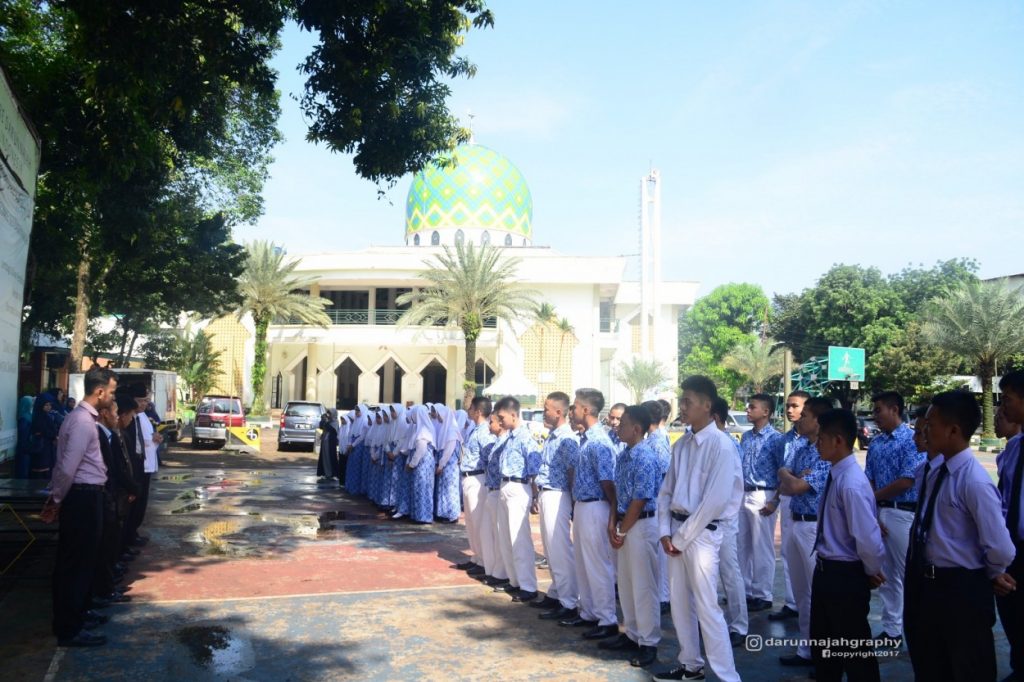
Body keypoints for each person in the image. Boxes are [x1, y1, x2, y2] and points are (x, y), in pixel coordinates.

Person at [904, 391, 1014, 682]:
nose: (925, 429)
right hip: (928, 586)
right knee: (931, 664)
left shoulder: (974, 481)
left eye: (932, 423)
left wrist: (992, 573)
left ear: (953, 430)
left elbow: (1000, 547)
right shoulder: (934, 472)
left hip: (961, 589)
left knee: (967, 666)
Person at [652, 376, 740, 682]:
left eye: (689, 401)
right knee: (679, 605)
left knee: (707, 607)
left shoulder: (722, 446)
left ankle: (728, 676)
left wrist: (679, 537)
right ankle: (691, 665)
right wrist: (665, 532)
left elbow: (714, 502)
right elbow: (666, 491)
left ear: (707, 405)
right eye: (682, 400)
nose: (683, 406)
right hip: (676, 533)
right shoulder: (683, 445)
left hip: (701, 536)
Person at [41, 366, 118, 647]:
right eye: (111, 392)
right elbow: (67, 467)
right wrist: (57, 499)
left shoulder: (81, 419)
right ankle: (69, 628)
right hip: (81, 498)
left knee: (85, 561)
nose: (112, 397)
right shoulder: (83, 423)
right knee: (75, 564)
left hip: (87, 496)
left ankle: (81, 614)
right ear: (99, 392)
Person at [810, 408, 885, 681]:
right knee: (825, 647)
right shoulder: (837, 475)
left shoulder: (851, 482)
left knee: (854, 649)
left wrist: (871, 569)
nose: (817, 443)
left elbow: (866, 537)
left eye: (821, 438)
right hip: (827, 571)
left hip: (844, 574)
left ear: (838, 440)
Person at [863, 390, 924, 647]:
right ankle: (891, 629)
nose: (875, 416)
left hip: (902, 512)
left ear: (895, 410)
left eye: (879, 411)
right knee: (885, 573)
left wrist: (873, 498)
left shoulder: (911, 439)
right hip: (880, 511)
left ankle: (913, 627)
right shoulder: (876, 443)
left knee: (904, 572)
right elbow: (869, 477)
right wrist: (872, 508)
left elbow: (907, 479)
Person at [776, 396, 833, 667]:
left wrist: (794, 478)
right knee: (801, 593)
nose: (801, 418)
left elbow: (797, 487)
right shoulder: (801, 448)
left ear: (818, 421)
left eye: (807, 414)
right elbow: (785, 479)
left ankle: (824, 655)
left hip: (814, 525)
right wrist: (792, 476)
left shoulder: (826, 452)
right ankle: (806, 649)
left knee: (817, 593)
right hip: (796, 521)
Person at [604, 404, 662, 667]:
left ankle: (649, 643)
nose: (618, 426)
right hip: (626, 524)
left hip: (641, 525)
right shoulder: (625, 455)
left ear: (636, 429)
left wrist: (622, 529)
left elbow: (640, 498)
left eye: (623, 423)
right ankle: (633, 634)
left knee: (644, 586)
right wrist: (613, 523)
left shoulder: (645, 456)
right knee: (626, 584)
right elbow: (619, 492)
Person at [559, 388, 618, 641]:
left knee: (597, 564)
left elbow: (608, 483)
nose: (571, 411)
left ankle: (607, 619)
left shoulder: (599, 442)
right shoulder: (585, 440)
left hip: (596, 506)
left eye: (574, 406)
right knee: (584, 563)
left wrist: (613, 516)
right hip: (583, 505)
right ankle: (589, 613)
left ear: (586, 410)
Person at [533, 391, 580, 618]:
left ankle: (569, 601)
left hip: (558, 495)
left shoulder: (566, 438)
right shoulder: (553, 436)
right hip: (547, 493)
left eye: (546, 409)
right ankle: (556, 592)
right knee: (551, 549)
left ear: (558, 412)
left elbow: (572, 472)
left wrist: (572, 503)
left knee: (559, 549)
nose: (544, 413)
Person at [492, 396, 541, 602]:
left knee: (519, 538)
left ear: (513, 414)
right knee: (505, 537)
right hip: (505, 486)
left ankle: (528, 587)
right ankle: (515, 581)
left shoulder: (525, 438)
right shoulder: (510, 437)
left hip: (519, 487)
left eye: (502, 417)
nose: (500, 421)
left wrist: (535, 495)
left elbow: (534, 468)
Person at [767, 389, 810, 622]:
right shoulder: (785, 439)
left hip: (807, 501)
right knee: (788, 552)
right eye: (787, 406)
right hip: (787, 498)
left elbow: (803, 476)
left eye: (795, 406)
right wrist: (776, 497)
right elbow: (783, 473)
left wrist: (791, 477)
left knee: (808, 556)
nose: (790, 410)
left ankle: (809, 606)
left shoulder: (814, 438)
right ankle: (793, 603)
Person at [737, 393, 783, 612]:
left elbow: (783, 472)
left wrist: (775, 500)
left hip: (763, 494)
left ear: (766, 411)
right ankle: (744, 590)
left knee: (761, 546)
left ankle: (763, 593)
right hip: (743, 493)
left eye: (752, 407)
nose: (748, 410)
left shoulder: (776, 439)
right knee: (742, 545)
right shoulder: (746, 438)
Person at [710, 396, 747, 647]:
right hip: (705, 520)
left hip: (722, 520)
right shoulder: (704, 443)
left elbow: (733, 489)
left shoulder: (726, 445)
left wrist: (723, 518)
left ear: (714, 417)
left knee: (729, 573)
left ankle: (739, 625)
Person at [996, 370, 1024, 681]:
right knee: (1014, 615)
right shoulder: (1014, 449)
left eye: (1008, 400)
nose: (1003, 407)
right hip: (1016, 548)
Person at [455, 397, 495, 574]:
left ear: (478, 411)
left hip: (478, 478)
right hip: (468, 477)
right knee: (471, 521)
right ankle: (477, 557)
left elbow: (488, 457)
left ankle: (485, 562)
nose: (468, 410)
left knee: (479, 522)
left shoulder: (484, 431)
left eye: (471, 408)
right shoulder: (474, 429)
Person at [642, 399, 672, 613]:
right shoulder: (651, 439)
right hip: (655, 502)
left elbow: (665, 474)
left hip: (658, 503)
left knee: (661, 556)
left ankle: (664, 596)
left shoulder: (657, 441)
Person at [480, 413, 511, 588]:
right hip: (490, 490)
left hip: (499, 492)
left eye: (491, 422)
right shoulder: (496, 443)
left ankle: (502, 573)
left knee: (500, 536)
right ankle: (494, 570)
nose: (488, 425)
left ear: (501, 424)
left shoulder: (505, 442)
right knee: (490, 534)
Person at [432, 405, 464, 523]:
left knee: (450, 490)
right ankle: (443, 513)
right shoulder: (445, 429)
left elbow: (448, 451)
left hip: (449, 466)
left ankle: (452, 514)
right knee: (443, 489)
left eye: (440, 415)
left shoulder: (451, 431)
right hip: (444, 465)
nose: (439, 418)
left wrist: (441, 465)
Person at [405, 405, 436, 524]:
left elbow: (421, 450)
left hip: (423, 465)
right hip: (422, 464)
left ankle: (423, 516)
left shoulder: (423, 430)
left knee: (423, 489)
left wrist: (412, 464)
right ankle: (418, 515)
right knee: (419, 488)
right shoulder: (421, 428)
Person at [317, 409, 341, 482]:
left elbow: (331, 429)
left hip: (330, 443)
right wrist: (322, 419)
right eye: (328, 414)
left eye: (330, 414)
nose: (329, 415)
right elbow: (321, 426)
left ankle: (332, 474)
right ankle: (325, 473)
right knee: (324, 457)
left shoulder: (335, 422)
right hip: (325, 442)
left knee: (331, 457)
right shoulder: (328, 421)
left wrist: (326, 422)